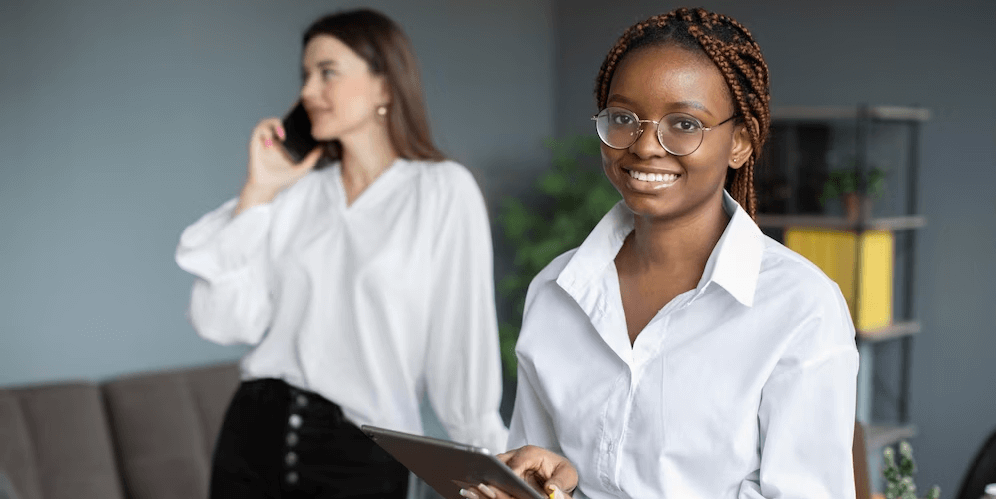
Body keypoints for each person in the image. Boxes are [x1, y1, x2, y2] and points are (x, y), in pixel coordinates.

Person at [468, 7, 859, 499]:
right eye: (624, 118)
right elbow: (537, 468)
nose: (645, 146)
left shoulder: (800, 308)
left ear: (740, 141)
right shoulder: (554, 289)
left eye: (684, 123)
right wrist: (540, 481)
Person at [175, 9, 508, 499]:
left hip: (362, 458)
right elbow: (223, 324)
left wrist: (492, 467)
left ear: (385, 86)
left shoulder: (441, 191)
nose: (308, 91)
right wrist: (258, 191)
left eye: (327, 72)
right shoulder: (295, 195)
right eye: (305, 76)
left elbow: (463, 347)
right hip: (253, 436)